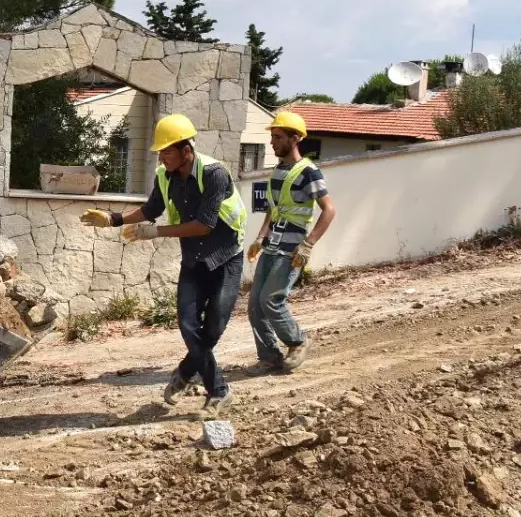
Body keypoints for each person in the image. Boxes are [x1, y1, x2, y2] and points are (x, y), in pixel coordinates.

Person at [80, 114, 248, 416]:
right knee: (187, 324)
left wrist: (156, 231)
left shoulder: (214, 174)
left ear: (187, 151)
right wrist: (113, 219)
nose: (162, 156)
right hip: (194, 259)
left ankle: (185, 373)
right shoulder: (164, 175)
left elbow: (204, 225)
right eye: (160, 151)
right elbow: (152, 208)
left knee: (212, 328)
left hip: (225, 258)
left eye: (167, 151)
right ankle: (219, 391)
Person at [245, 111, 336, 375]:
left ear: (295, 138)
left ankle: (298, 341)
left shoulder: (309, 172)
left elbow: (329, 210)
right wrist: (261, 238)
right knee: (255, 306)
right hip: (272, 245)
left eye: (278, 137)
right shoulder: (278, 171)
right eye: (272, 136)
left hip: (291, 249)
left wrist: (308, 245)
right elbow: (273, 209)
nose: (272, 142)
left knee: (271, 299)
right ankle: (269, 356)